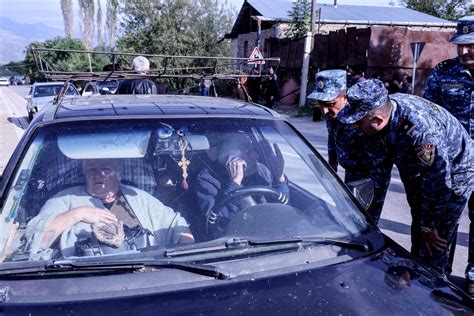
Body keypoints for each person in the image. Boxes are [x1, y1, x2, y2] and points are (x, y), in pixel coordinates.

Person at [338, 79, 473, 277]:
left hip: (455, 170)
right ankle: (423, 270)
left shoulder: (419, 129)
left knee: (434, 242)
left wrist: (429, 226)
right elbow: (377, 176)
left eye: (359, 122)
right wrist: (368, 227)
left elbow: (438, 183)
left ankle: (435, 286)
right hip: (417, 171)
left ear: (377, 120)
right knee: (419, 233)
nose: (355, 126)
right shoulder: (377, 119)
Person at [26, 159, 194, 259]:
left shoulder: (138, 197)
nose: (98, 174)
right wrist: (78, 214)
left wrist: (187, 254)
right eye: (92, 169)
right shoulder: (64, 199)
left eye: (105, 169)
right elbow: (34, 236)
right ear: (84, 174)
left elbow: (175, 224)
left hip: (145, 277)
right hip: (85, 283)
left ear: (118, 173)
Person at [423, 15, 474, 293]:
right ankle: (438, 274)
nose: (464, 51)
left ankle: (473, 277)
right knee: (444, 220)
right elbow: (429, 118)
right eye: (460, 45)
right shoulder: (442, 73)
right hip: (452, 165)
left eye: (471, 45)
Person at [307, 69, 392, 223]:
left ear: (344, 97)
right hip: (351, 173)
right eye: (321, 104)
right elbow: (332, 138)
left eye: (330, 104)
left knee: (364, 223)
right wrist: (332, 163)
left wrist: (374, 199)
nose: (324, 110)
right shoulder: (331, 114)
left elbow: (381, 164)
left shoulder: (361, 118)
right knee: (349, 219)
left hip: (369, 179)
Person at [195, 133, 289, 238]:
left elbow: (281, 208)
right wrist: (235, 183)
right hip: (237, 239)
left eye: (254, 150)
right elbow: (216, 225)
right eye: (248, 152)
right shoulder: (207, 179)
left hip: (269, 234)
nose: (256, 156)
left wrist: (279, 178)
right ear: (229, 158)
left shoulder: (261, 170)